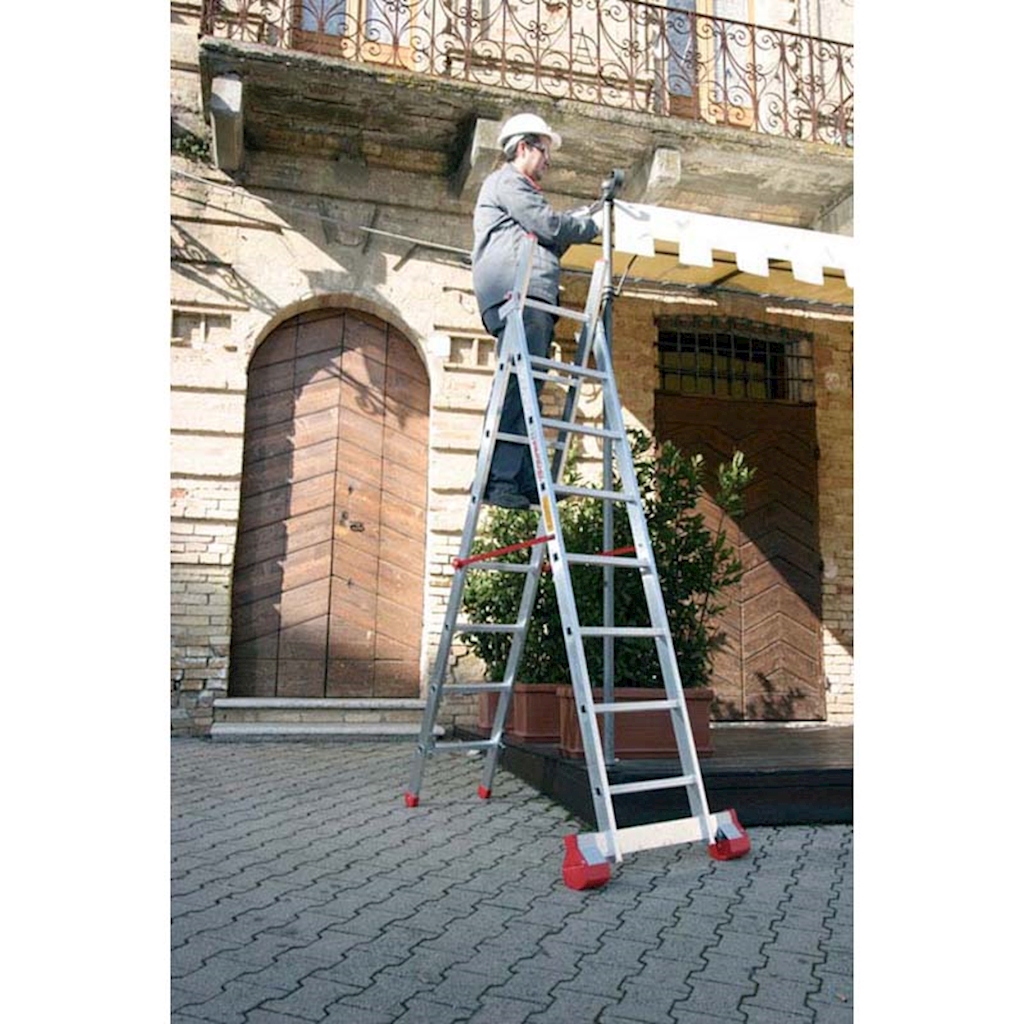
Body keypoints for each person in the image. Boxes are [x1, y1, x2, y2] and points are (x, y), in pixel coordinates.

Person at [472, 112, 601, 509]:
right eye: (544, 151)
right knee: (519, 386)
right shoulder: (508, 182)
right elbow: (550, 226)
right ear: (524, 147)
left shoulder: (519, 190)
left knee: (529, 388)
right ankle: (500, 480)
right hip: (518, 296)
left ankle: (524, 479)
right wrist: (594, 225)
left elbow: (552, 236)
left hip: (529, 296)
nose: (548, 160)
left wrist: (578, 220)